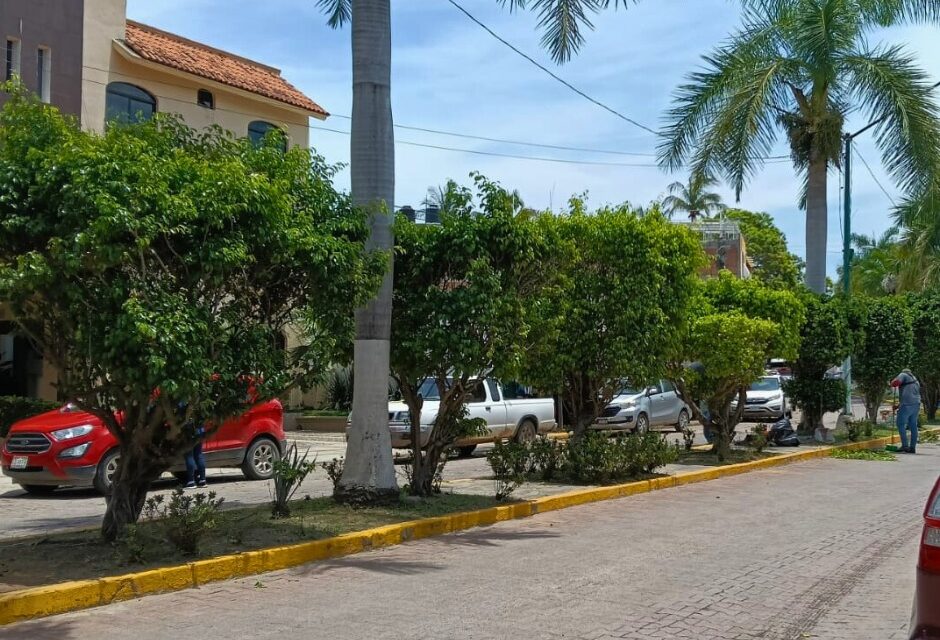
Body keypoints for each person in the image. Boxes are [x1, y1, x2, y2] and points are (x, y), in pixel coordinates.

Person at [890, 369, 921, 454]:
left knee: (900, 424)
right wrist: (898, 406)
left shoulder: (903, 374)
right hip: (916, 404)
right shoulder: (915, 379)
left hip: (907, 404)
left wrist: (892, 383)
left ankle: (905, 446)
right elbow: (910, 394)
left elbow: (896, 382)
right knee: (913, 425)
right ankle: (912, 447)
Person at [183, 423, 207, 489]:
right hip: (199, 430)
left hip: (188, 430)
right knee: (199, 454)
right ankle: (202, 480)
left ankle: (191, 481)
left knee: (189, 455)